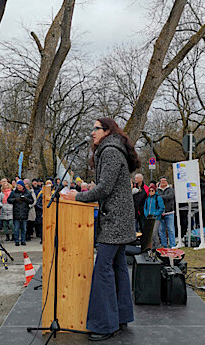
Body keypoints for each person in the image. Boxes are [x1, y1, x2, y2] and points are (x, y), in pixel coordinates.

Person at [63, 117, 140, 341]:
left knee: (103, 269)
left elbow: (105, 188)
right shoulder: (113, 149)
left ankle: (105, 325)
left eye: (96, 129)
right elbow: (109, 186)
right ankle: (122, 316)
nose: (92, 133)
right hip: (119, 219)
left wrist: (77, 196)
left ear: (107, 131)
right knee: (117, 266)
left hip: (115, 221)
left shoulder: (110, 151)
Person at [7, 180, 34, 246]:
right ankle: (16, 241)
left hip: (24, 212)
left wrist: (26, 199)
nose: (18, 187)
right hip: (16, 212)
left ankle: (23, 240)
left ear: (23, 186)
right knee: (16, 228)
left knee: (24, 228)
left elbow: (32, 201)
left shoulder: (27, 192)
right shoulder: (14, 192)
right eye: (18, 185)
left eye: (20, 186)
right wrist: (15, 200)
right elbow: (9, 200)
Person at [157, 176, 176, 248]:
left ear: (167, 182)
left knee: (171, 229)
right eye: (162, 181)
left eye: (164, 181)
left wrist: (161, 197)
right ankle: (164, 245)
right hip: (160, 213)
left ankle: (172, 245)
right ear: (159, 182)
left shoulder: (171, 189)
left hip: (169, 212)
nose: (163, 182)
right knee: (161, 230)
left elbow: (170, 196)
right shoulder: (157, 190)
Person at [144, 183, 165, 248]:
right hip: (149, 218)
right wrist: (146, 214)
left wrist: (155, 214)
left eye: (152, 190)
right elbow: (145, 207)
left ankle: (157, 246)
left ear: (155, 191)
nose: (151, 192)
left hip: (156, 218)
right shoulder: (147, 198)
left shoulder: (158, 198)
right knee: (150, 234)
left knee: (154, 233)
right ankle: (152, 247)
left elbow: (162, 207)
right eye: (149, 190)